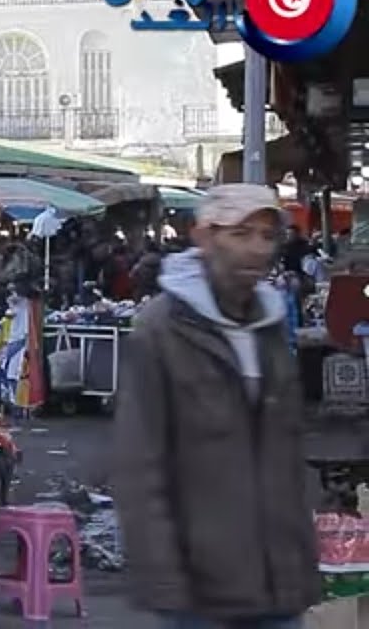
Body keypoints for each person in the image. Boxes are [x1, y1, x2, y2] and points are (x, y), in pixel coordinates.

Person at [114, 184, 319, 629]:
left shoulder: (270, 324)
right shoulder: (161, 330)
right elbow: (139, 464)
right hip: (200, 591)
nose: (257, 249)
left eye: (267, 236)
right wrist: (165, 580)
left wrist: (303, 560)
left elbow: (286, 454)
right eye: (241, 233)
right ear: (204, 236)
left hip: (278, 584)